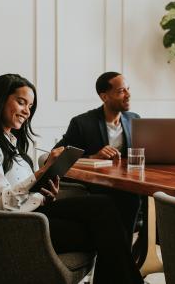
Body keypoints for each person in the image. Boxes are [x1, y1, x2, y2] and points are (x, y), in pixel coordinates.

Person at [0, 74, 143, 284]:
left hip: (33, 213)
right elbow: (0, 202)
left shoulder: (10, 141)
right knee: (107, 228)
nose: (27, 111)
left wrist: (44, 193)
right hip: (17, 226)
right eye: (21, 102)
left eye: (30, 105)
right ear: (0, 99)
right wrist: (41, 172)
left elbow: (19, 191)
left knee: (106, 208)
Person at [54, 71, 141, 238]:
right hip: (98, 188)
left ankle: (139, 248)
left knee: (153, 200)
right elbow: (56, 156)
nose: (128, 95)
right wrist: (93, 157)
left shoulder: (134, 119)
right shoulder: (82, 123)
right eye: (121, 91)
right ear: (104, 97)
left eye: (128, 89)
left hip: (130, 183)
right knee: (131, 200)